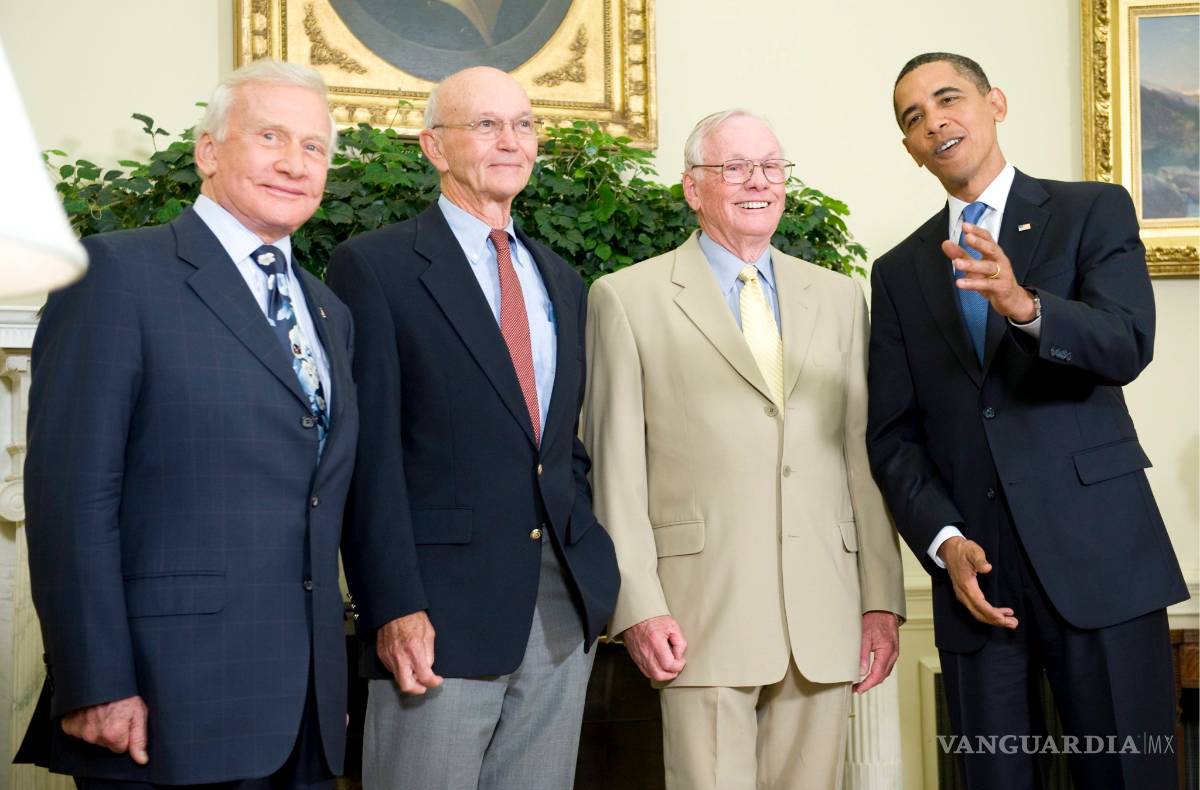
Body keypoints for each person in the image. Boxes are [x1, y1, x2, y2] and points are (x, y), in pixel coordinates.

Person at [18, 60, 357, 788]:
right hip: (164, 703)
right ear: (209, 150)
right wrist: (93, 679)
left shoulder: (331, 313)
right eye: (270, 136)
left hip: (303, 710)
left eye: (314, 147)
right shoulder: (116, 273)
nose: (294, 163)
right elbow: (69, 497)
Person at [868, 52, 1188, 790]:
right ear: (912, 150)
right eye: (913, 118)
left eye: (947, 99)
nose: (933, 121)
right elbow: (893, 435)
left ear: (995, 103)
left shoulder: (1092, 209)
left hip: (1101, 556)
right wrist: (944, 542)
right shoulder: (898, 271)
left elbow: (1126, 342)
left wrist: (1028, 307)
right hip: (979, 578)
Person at [581, 110, 905, 790]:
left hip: (824, 611)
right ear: (693, 188)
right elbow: (614, 469)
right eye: (734, 167)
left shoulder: (841, 298)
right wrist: (637, 603)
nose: (758, 182)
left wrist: (880, 598)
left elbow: (861, 460)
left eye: (771, 166)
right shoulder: (626, 298)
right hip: (698, 610)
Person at [325, 66, 619, 790]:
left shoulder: (561, 278)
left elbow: (558, 447)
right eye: (485, 125)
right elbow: (370, 460)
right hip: (438, 617)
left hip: (559, 611)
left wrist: (594, 575)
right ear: (434, 146)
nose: (510, 141)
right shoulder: (376, 266)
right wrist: (392, 604)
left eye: (523, 124)